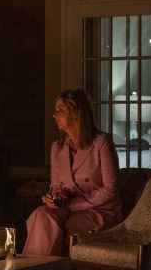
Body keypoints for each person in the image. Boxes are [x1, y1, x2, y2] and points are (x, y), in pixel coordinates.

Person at [22, 88, 120, 256]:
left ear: (76, 113)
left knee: (70, 228)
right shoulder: (57, 148)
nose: (54, 115)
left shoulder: (101, 143)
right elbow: (55, 186)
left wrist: (76, 205)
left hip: (99, 210)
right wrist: (53, 198)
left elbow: (110, 189)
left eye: (60, 110)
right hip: (66, 207)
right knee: (41, 215)